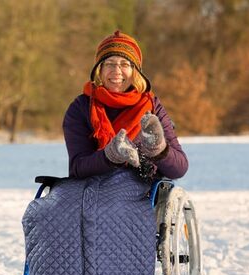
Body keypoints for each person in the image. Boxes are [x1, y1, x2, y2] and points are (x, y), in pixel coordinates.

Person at [63, 30, 188, 182]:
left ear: (135, 71)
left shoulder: (152, 106)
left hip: (143, 197)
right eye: (109, 63)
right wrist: (110, 155)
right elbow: (78, 168)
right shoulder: (81, 107)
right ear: (99, 70)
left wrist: (158, 148)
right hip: (96, 196)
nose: (117, 71)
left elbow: (179, 168)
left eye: (125, 64)